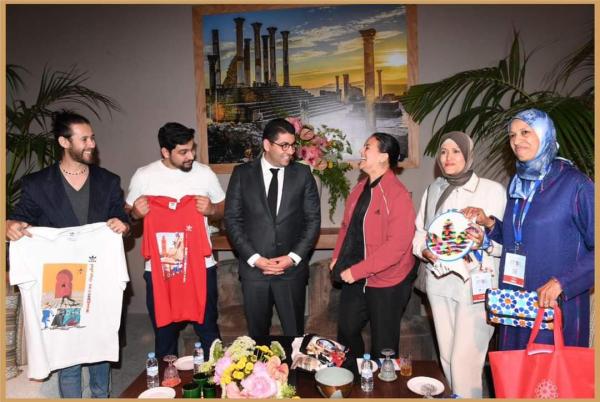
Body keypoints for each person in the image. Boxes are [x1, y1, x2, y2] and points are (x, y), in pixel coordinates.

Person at [6, 110, 129, 398]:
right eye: (84, 139)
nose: (92, 144)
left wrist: (123, 225)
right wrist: (9, 224)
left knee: (99, 346)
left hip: (99, 276)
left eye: (92, 138)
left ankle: (101, 396)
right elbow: (21, 218)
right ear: (64, 142)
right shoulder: (37, 184)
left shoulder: (108, 180)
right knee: (68, 351)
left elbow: (122, 217)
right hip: (61, 282)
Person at [463, 109, 594, 350]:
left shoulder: (576, 184)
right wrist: (490, 225)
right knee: (514, 369)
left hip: (555, 303)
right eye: (512, 135)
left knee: (550, 372)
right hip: (517, 301)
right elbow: (522, 237)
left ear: (545, 134)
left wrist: (562, 283)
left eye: (525, 132)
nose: (516, 141)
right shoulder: (518, 182)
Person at [412, 131, 506, 398]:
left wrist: (484, 241)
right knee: (447, 358)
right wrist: (424, 250)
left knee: (465, 361)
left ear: (468, 154)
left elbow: (508, 243)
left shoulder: (491, 190)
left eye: (455, 151)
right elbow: (420, 233)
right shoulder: (433, 190)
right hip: (439, 283)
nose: (448, 157)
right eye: (443, 152)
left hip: (476, 287)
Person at [126, 122, 225, 358]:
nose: (191, 156)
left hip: (201, 266)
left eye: (192, 149)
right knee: (165, 334)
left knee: (208, 329)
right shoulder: (144, 176)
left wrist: (211, 209)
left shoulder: (204, 173)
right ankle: (166, 378)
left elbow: (223, 207)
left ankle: (218, 374)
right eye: (183, 152)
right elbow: (126, 214)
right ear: (165, 151)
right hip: (160, 269)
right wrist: (135, 214)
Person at [224, 118, 321, 338]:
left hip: (291, 272)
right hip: (254, 272)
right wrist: (255, 258)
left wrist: (292, 258)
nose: (291, 151)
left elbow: (313, 221)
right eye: (284, 145)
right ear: (267, 145)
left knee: (294, 337)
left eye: (293, 145)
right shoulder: (242, 174)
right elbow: (232, 220)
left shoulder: (303, 174)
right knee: (257, 339)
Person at [330, 132, 415, 360]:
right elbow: (346, 227)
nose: (361, 151)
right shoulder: (359, 188)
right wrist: (337, 257)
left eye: (367, 147)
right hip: (356, 274)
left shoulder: (398, 195)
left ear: (383, 156)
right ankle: (354, 374)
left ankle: (382, 381)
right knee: (346, 331)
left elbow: (396, 247)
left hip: (388, 281)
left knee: (383, 346)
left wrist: (357, 271)